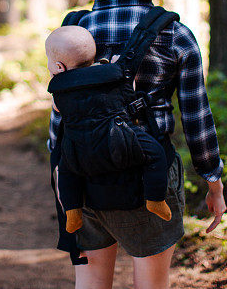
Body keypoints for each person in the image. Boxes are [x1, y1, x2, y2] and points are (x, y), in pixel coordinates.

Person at [44, 0, 226, 289]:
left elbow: (61, 112)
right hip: (147, 183)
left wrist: (63, 180)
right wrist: (213, 180)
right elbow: (196, 116)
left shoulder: (74, 28)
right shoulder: (175, 35)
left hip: (82, 181)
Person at [45, 24, 172, 234]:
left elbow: (59, 110)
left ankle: (73, 211)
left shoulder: (58, 90)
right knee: (156, 153)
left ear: (59, 66)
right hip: (121, 139)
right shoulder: (113, 74)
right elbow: (128, 92)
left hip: (79, 149)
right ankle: (155, 199)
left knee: (66, 172)